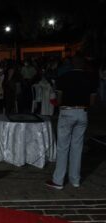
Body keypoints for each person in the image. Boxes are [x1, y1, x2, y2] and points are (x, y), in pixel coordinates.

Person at [46, 55, 98, 190]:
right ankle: (75, 180)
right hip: (82, 113)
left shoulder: (64, 78)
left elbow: (59, 99)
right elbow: (92, 102)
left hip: (67, 112)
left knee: (63, 147)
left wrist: (56, 102)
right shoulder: (91, 78)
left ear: (72, 64)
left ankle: (58, 180)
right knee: (77, 147)